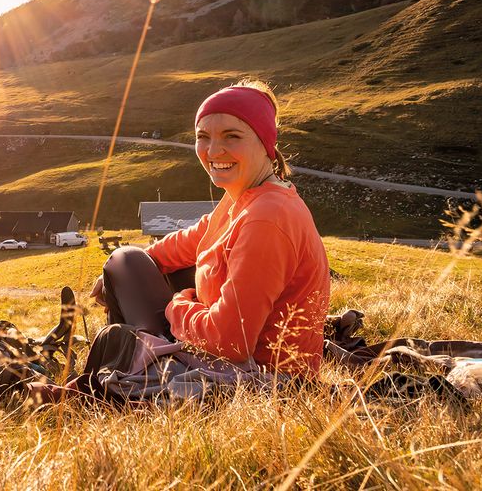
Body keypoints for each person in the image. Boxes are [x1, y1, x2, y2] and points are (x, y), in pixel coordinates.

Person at [91, 81, 331, 375]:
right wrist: (118, 277)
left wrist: (177, 305)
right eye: (203, 136)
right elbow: (194, 239)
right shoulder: (246, 198)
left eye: (232, 136)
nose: (214, 150)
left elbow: (231, 342)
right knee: (132, 261)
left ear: (265, 142)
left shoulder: (266, 216)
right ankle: (128, 366)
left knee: (124, 260)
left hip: (257, 379)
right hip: (243, 363)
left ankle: (130, 372)